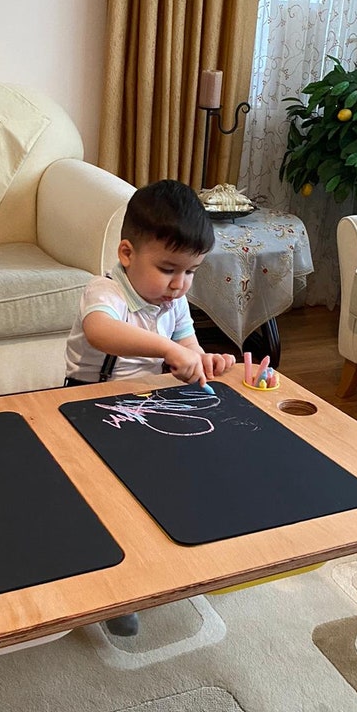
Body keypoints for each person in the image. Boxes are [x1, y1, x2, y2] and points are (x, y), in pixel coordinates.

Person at [64, 178, 236, 636]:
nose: (179, 285)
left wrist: (204, 359)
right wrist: (167, 349)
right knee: (100, 502)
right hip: (86, 406)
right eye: (167, 269)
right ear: (126, 254)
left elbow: (188, 350)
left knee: (156, 491)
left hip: (147, 409)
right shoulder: (106, 293)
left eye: (191, 272)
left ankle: (148, 573)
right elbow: (101, 332)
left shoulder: (173, 302)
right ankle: (108, 586)